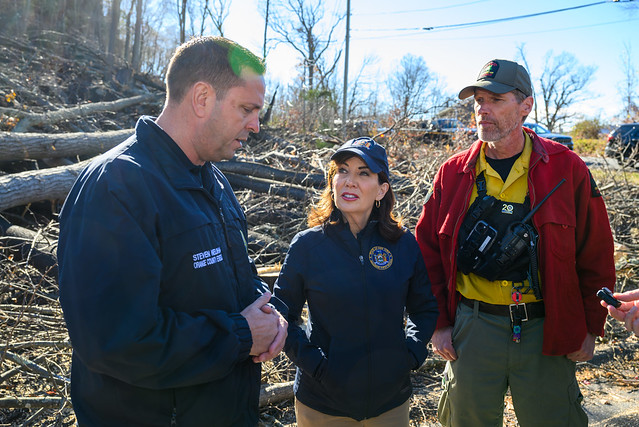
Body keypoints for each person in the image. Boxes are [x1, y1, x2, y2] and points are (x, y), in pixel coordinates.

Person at [57, 36, 287, 426]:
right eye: (247, 109)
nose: (256, 125)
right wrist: (241, 335)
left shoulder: (214, 183)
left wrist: (268, 318)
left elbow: (232, 283)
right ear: (201, 98)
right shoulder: (118, 187)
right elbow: (115, 341)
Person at [415, 59, 616, 426]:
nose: (482, 109)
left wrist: (590, 327)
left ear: (526, 106)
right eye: (477, 100)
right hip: (472, 330)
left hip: (546, 329)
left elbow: (596, 252)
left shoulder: (566, 168)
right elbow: (426, 250)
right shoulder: (454, 172)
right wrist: (439, 323)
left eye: (495, 99)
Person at [274, 137, 439, 426]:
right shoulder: (307, 246)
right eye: (342, 171)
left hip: (390, 403)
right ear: (332, 181)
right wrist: (317, 366)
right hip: (323, 404)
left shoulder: (403, 246)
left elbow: (424, 308)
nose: (350, 181)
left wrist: (409, 355)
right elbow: (283, 315)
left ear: (381, 189)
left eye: (364, 173)